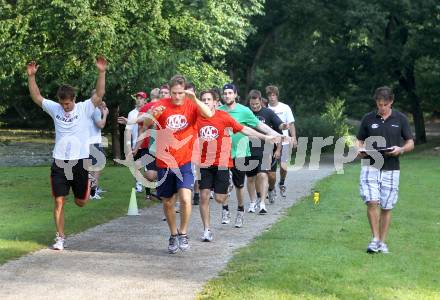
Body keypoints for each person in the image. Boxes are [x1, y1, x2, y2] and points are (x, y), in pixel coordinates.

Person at [123, 75, 212, 253]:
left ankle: (183, 233)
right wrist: (152, 116)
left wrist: (193, 98)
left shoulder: (191, 104)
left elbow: (209, 114)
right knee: (168, 202)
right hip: (164, 161)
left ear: (184, 90)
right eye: (174, 93)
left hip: (185, 161)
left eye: (180, 93)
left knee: (186, 199)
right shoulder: (161, 104)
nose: (177, 96)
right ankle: (173, 235)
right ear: (169, 91)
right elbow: (146, 125)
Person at [27, 56, 107, 251]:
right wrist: (31, 77)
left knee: (80, 202)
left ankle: (84, 188)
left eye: (68, 104)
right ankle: (60, 237)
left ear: (74, 100)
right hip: (60, 162)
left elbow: (100, 93)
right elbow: (36, 97)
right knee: (58, 200)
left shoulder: (84, 108)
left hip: (80, 162)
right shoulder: (55, 109)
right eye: (62, 104)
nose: (65, 107)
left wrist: (101, 72)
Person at [195, 90, 279, 241]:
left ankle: (225, 186)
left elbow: (245, 129)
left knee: (220, 198)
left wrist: (266, 137)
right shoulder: (197, 118)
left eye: (208, 99)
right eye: (203, 100)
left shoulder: (223, 116)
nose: (206, 102)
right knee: (204, 196)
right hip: (204, 163)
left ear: (215, 102)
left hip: (222, 162)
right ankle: (206, 230)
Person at [357, 86, 414, 254]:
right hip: (370, 166)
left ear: (391, 102)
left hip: (391, 168)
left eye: (384, 104)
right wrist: (360, 150)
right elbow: (359, 140)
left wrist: (401, 149)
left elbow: (410, 142)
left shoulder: (401, 119)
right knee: (371, 201)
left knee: (387, 206)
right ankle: (374, 239)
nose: (381, 108)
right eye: (379, 104)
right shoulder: (368, 119)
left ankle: (382, 242)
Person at [218, 83, 283, 228]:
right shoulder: (218, 111)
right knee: (224, 184)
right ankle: (225, 209)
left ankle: (240, 211)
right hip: (222, 153)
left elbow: (261, 126)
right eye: (225, 93)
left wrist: (277, 135)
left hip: (241, 153)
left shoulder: (244, 111)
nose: (227, 95)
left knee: (239, 185)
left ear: (235, 95)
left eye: (230, 93)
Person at [246, 90, 283, 214]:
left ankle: (263, 202)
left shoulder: (268, 112)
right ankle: (255, 200)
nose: (255, 107)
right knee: (251, 178)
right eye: (252, 104)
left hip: (266, 149)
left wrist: (278, 149)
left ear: (261, 101)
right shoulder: (246, 112)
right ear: (249, 103)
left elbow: (279, 129)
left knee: (264, 175)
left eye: (257, 104)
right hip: (249, 150)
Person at [266, 85, 297, 199]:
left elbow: (291, 124)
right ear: (267, 96)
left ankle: (282, 183)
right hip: (270, 142)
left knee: (284, 167)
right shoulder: (266, 108)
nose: (272, 97)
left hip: (284, 142)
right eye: (270, 95)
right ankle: (271, 187)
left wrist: (293, 137)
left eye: (274, 95)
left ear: (277, 95)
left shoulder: (285, 108)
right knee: (269, 170)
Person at [88, 95, 109, 200]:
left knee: (92, 168)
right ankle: (92, 193)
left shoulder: (89, 109)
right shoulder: (95, 110)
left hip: (90, 142)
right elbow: (100, 125)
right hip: (94, 142)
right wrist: (104, 114)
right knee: (97, 168)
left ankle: (91, 191)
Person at [126, 91, 147, 192]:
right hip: (135, 143)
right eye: (137, 98)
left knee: (148, 167)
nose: (139, 100)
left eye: (141, 98)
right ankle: (138, 184)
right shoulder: (131, 113)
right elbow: (128, 130)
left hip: (147, 143)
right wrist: (128, 145)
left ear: (145, 100)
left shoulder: (148, 111)